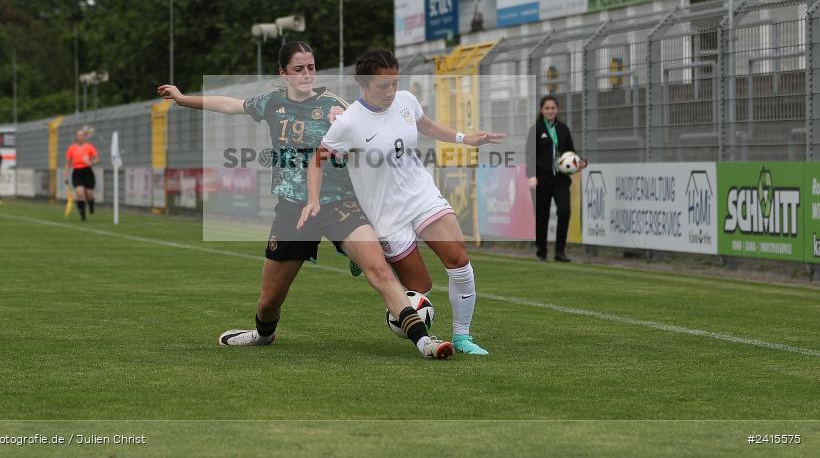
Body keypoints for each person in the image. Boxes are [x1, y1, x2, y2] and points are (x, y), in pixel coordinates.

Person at [157, 41, 454, 360]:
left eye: (311, 67)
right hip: (293, 210)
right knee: (270, 300)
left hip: (340, 204)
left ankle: (426, 342)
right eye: (298, 69)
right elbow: (230, 104)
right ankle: (263, 334)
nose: (306, 74)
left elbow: (371, 133)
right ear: (282, 73)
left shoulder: (336, 107)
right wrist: (182, 98)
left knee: (379, 272)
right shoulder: (270, 102)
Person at [299, 49, 505, 356]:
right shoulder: (349, 122)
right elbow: (318, 160)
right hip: (385, 214)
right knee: (419, 288)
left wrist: (465, 138)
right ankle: (364, 260)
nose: (391, 91)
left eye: (395, 83)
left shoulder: (406, 101)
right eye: (383, 86)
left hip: (420, 195)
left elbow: (427, 126)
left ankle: (462, 337)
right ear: (365, 85)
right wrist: (313, 200)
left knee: (458, 258)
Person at [525, 95, 586, 262]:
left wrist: (579, 162)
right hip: (541, 178)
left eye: (553, 108)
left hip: (560, 178)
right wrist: (531, 176)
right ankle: (541, 251)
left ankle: (560, 251)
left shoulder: (563, 129)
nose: (550, 111)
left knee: (565, 211)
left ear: (557, 109)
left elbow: (570, 152)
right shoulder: (536, 129)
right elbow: (530, 155)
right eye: (547, 108)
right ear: (541, 110)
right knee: (541, 215)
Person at [64, 129, 99, 221]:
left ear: (85, 137)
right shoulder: (71, 148)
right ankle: (83, 216)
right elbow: (68, 163)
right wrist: (66, 175)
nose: (80, 137)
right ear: (76, 137)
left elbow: (97, 159)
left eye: (82, 135)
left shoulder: (89, 147)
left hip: (87, 172)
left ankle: (91, 203)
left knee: (89, 194)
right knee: (80, 193)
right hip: (77, 172)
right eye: (78, 135)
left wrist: (91, 162)